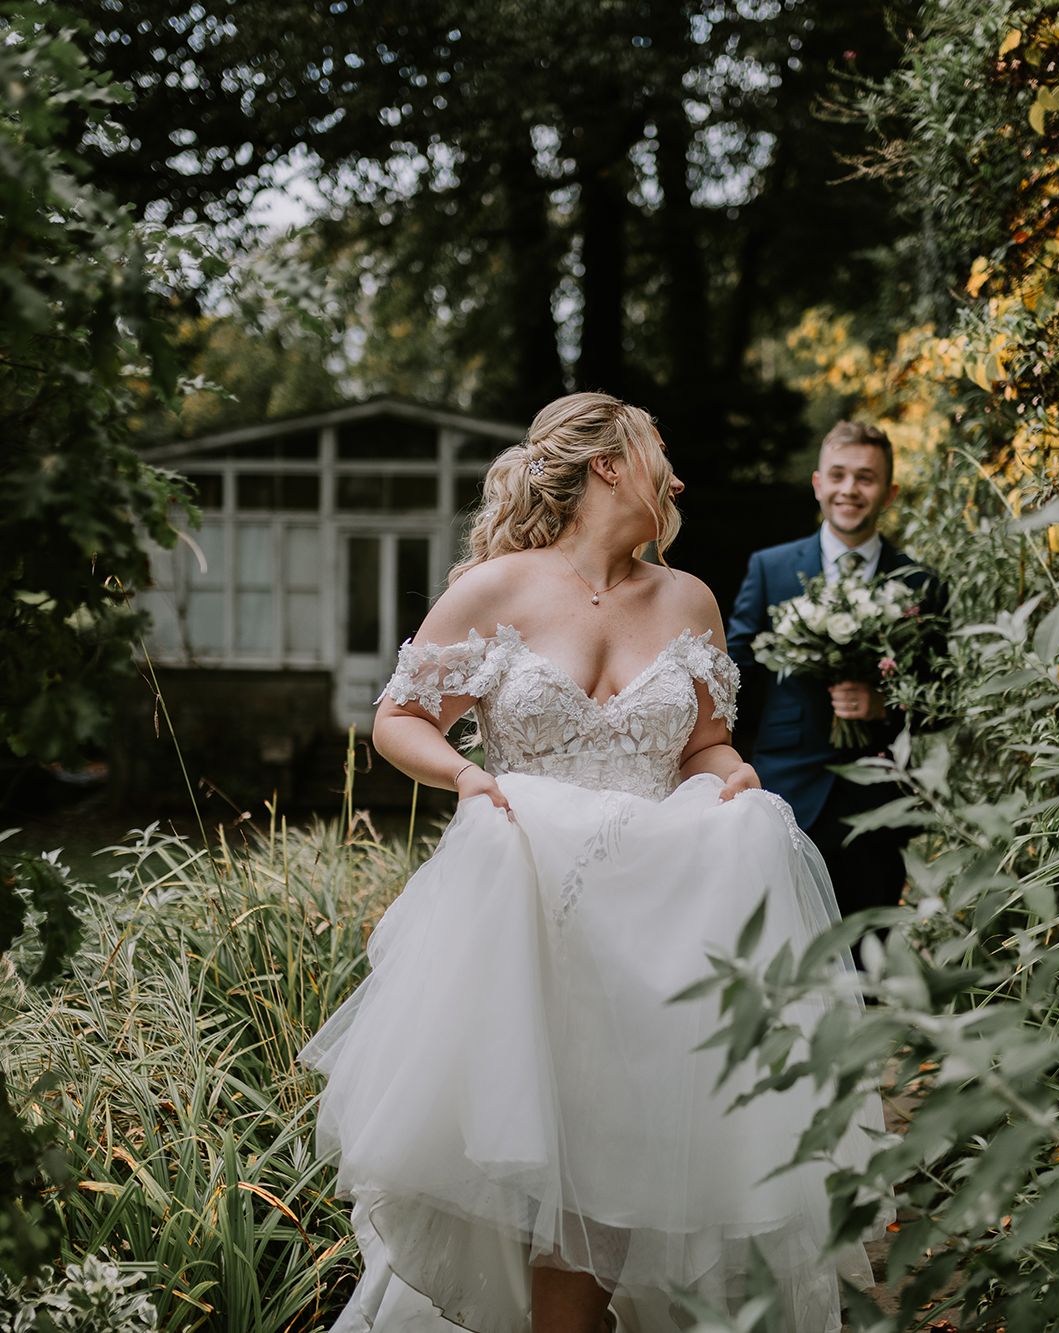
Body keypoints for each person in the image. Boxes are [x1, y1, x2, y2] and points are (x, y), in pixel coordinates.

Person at [299, 393, 884, 1333]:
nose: (679, 475)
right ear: (608, 463)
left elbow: (702, 746)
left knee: (638, 1183)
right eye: (660, 451)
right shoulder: (497, 588)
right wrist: (467, 778)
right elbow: (400, 719)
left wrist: (735, 777)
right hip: (531, 922)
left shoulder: (687, 597)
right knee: (541, 1186)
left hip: (656, 937)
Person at [726, 420, 947, 923]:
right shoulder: (771, 568)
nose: (850, 489)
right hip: (784, 785)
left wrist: (885, 703)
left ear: (889, 491)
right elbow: (735, 670)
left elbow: (944, 694)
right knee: (781, 934)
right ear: (818, 483)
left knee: (868, 947)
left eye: (866, 478)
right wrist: (732, 757)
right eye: (839, 475)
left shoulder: (920, 584)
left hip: (877, 802)